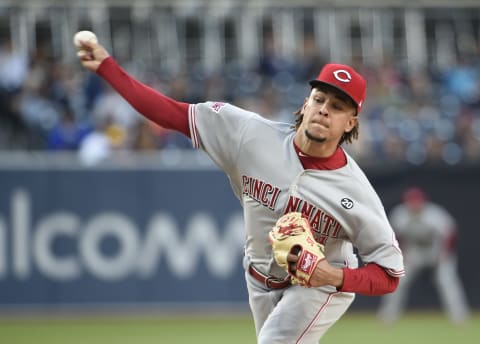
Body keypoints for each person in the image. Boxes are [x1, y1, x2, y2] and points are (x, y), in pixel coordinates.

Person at [76, 37, 404, 343]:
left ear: (350, 123)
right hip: (259, 276)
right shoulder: (250, 135)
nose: (324, 110)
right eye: (320, 99)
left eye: (338, 106)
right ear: (306, 104)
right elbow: (169, 113)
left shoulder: (356, 193)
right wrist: (108, 67)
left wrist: (331, 275)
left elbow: (389, 274)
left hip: (319, 285)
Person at [378, 187, 470, 324]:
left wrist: (444, 254)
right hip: (415, 251)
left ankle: (460, 318)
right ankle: (387, 317)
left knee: (447, 282)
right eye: (411, 202)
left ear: (423, 202)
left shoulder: (434, 214)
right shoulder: (400, 214)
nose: (414, 205)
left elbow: (450, 234)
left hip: (437, 250)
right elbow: (396, 238)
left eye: (417, 202)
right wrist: (402, 255)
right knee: (398, 281)